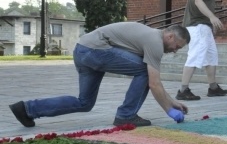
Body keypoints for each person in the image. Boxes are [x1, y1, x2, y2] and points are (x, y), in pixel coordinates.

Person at [9, 23, 191, 128]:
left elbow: (155, 83)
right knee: (144, 70)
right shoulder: (155, 42)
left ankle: (26, 109)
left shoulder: (151, 35)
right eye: (178, 46)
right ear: (170, 37)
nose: (175, 51)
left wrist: (172, 101)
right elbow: (154, 83)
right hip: (95, 51)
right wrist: (169, 110)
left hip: (82, 50)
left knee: (85, 103)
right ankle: (126, 116)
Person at [177, 0, 227, 100]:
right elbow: (198, 1)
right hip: (196, 25)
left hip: (204, 26)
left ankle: (213, 88)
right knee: (194, 56)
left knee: (211, 56)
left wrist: (210, 24)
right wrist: (212, 17)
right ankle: (183, 90)